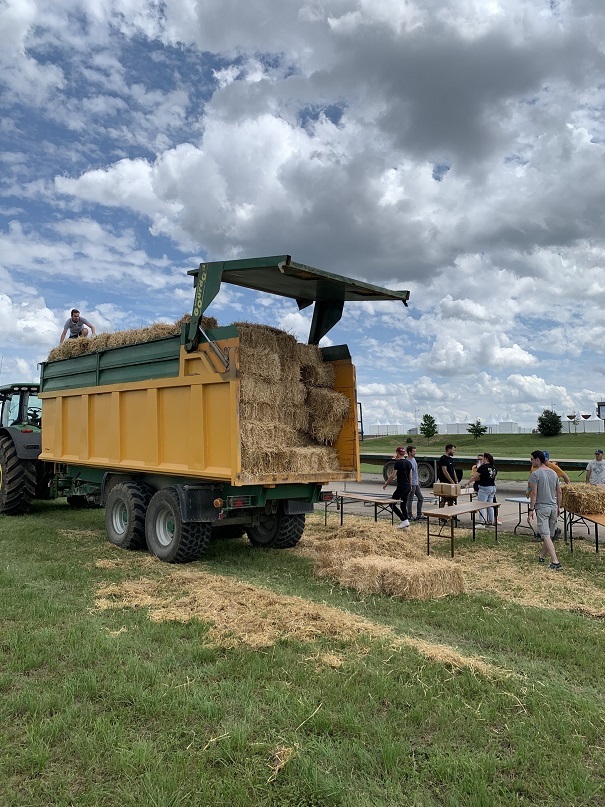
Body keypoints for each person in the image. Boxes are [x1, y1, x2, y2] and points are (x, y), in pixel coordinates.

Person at [527, 450, 562, 570]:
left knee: (546, 535)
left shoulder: (535, 474)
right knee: (550, 535)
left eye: (532, 459)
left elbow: (534, 493)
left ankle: (555, 561)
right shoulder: (553, 473)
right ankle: (542, 556)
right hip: (553, 507)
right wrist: (558, 506)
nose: (531, 461)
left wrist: (531, 509)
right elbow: (559, 492)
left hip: (542, 507)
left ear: (537, 459)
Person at [383, 446, 411, 529]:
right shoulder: (408, 463)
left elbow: (393, 476)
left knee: (392, 504)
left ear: (398, 453)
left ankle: (404, 520)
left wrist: (386, 484)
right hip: (408, 486)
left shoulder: (398, 464)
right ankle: (407, 523)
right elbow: (410, 476)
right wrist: (411, 486)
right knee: (403, 505)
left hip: (401, 486)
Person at [466, 452, 497, 527]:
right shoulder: (494, 468)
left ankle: (482, 522)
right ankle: (490, 521)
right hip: (492, 487)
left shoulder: (483, 467)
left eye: (482, 459)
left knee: (481, 505)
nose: (480, 461)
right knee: (490, 505)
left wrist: (468, 483)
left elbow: (475, 477)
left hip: (484, 487)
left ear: (486, 459)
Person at [405, 445, 424, 521]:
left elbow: (415, 471)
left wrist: (418, 480)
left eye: (415, 451)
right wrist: (410, 485)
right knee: (410, 499)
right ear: (409, 452)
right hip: (411, 483)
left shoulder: (414, 459)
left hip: (415, 482)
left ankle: (419, 514)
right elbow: (408, 475)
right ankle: (409, 515)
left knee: (421, 498)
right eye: (414, 451)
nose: (415, 452)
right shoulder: (408, 462)